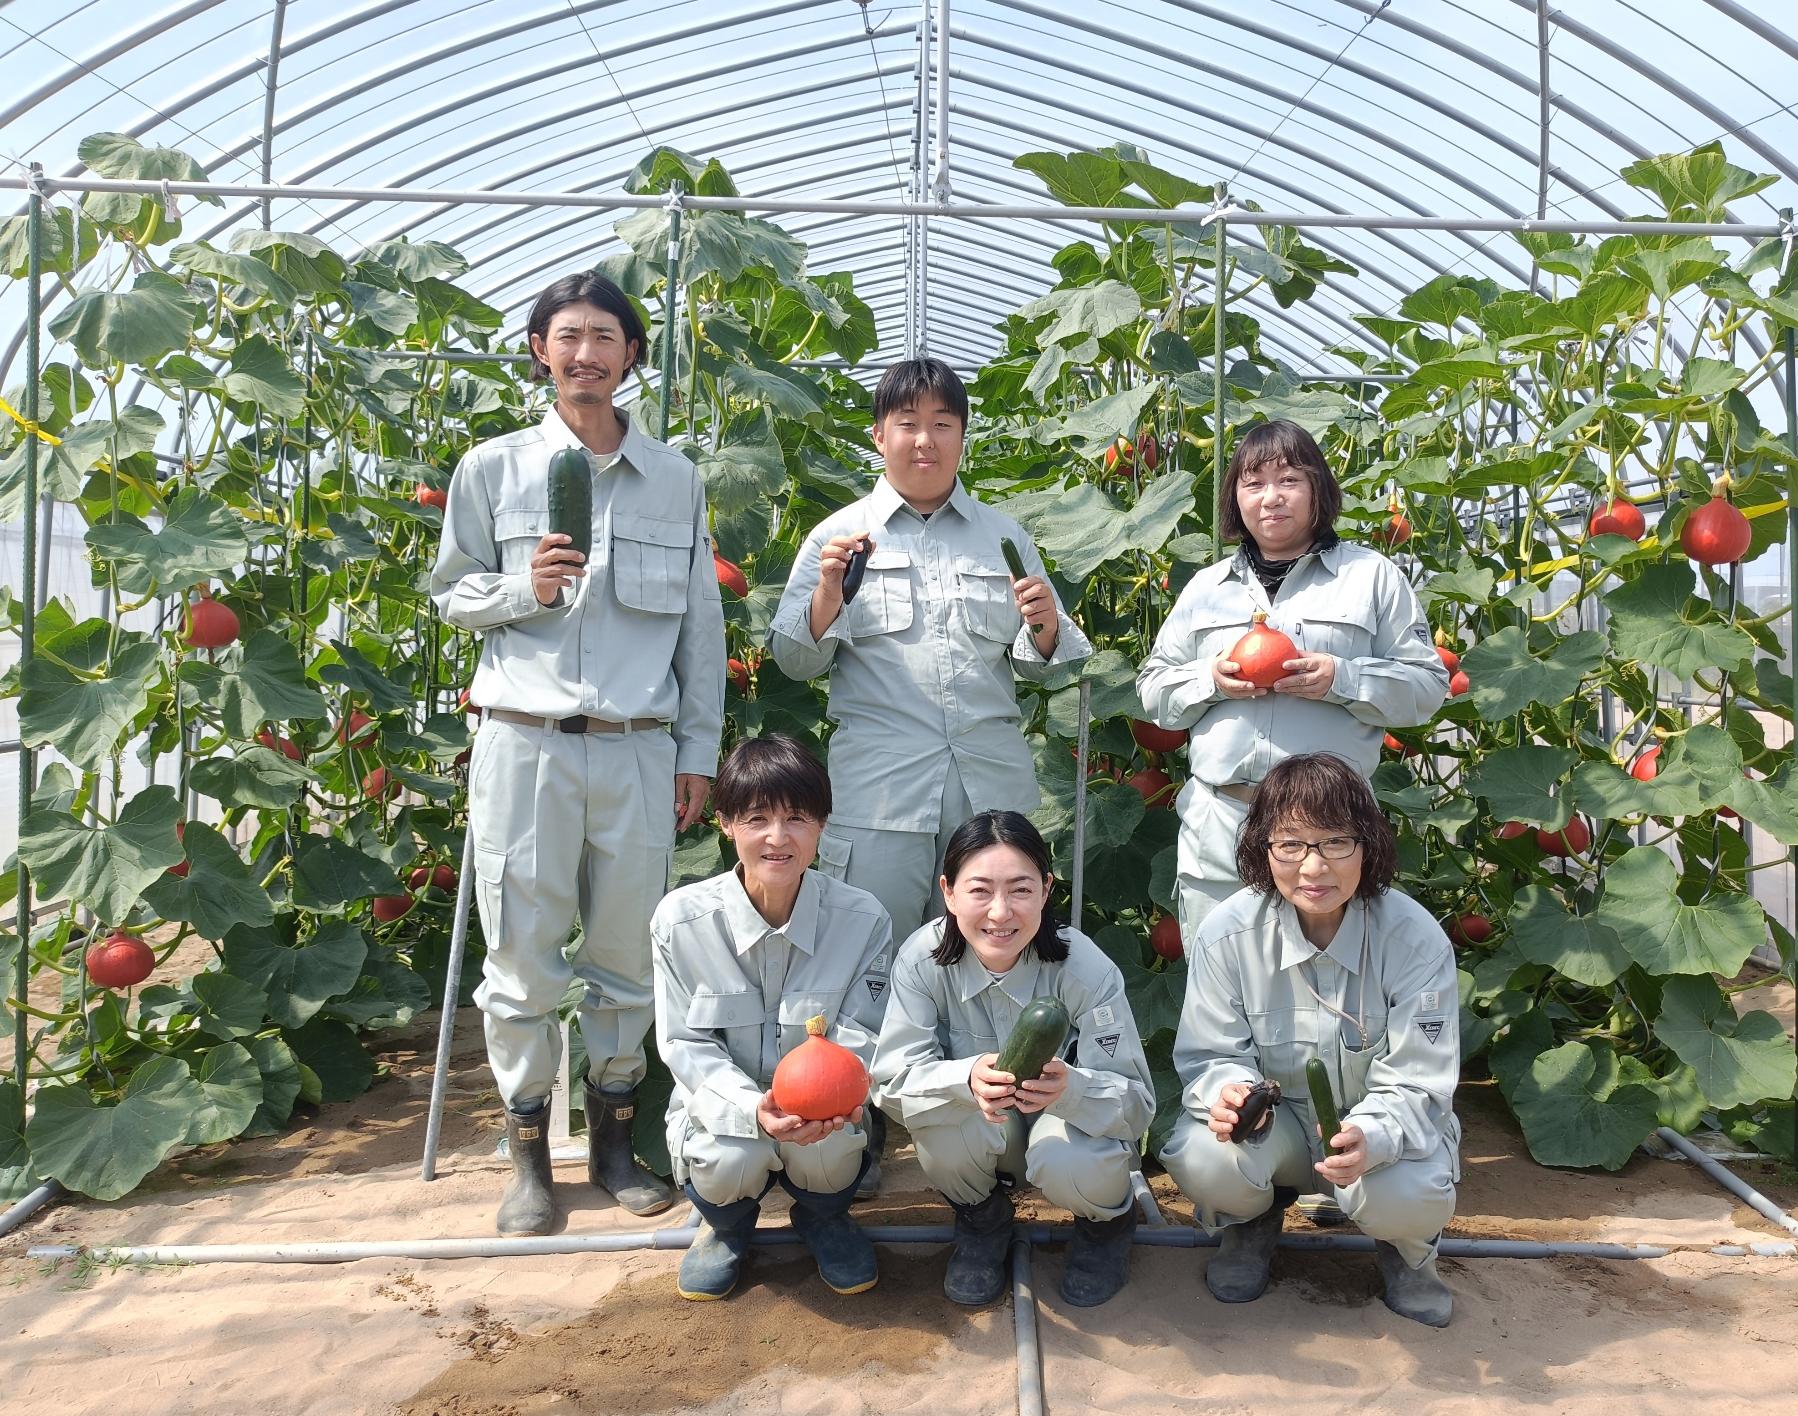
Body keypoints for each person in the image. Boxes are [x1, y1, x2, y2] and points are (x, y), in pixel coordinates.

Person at [432, 271, 723, 1237]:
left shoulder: (676, 479)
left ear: (631, 356)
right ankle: (527, 1159)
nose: (587, 352)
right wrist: (524, 589)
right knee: (520, 955)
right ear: (539, 351)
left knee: (625, 954)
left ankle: (612, 1141)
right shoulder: (492, 468)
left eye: (606, 336)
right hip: (524, 745)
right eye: (569, 335)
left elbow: (701, 633)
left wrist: (699, 753)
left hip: (638, 750)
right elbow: (450, 594)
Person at [767, 357, 1091, 949]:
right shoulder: (838, 537)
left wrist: (1043, 627)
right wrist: (826, 596)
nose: (925, 440)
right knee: (869, 956)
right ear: (879, 435)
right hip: (880, 795)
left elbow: (1041, 660)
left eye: (943, 424)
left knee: (990, 953)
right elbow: (795, 661)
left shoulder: (1004, 537)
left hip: (988, 790)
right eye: (907, 423)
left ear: (963, 436)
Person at [1160, 752, 1459, 1326]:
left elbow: (1421, 1080)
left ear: (1368, 845)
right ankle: (1252, 1221)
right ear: (1262, 849)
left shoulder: (1414, 939)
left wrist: (1373, 1136)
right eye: (1290, 844)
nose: (1313, 867)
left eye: (1335, 842)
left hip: (1376, 1137)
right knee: (1207, 1156)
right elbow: (1211, 1055)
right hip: (1283, 1133)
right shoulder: (1227, 934)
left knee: (1409, 1191)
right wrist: (1233, 1096)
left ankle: (1407, 1250)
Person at [1135, 419, 1446, 944]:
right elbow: (1152, 690)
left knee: (1325, 982)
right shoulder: (1206, 589)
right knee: (1219, 984)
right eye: (1253, 484)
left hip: (1327, 835)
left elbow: (1426, 688)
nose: (1271, 498)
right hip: (1222, 822)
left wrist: (1341, 677)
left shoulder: (1371, 578)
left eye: (1290, 481)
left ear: (1318, 491)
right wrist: (1209, 679)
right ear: (1235, 498)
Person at [871, 811, 1154, 1308]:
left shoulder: (1085, 968)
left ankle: (1106, 1223)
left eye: (1020, 890)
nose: (1000, 912)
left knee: (1073, 1159)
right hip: (987, 1131)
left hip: (1061, 1131)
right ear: (949, 891)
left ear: (1046, 890)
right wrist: (964, 1078)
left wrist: (1074, 1089)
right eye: (980, 890)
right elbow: (891, 1082)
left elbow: (1137, 1106)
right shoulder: (922, 961)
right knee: (939, 1118)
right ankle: (982, 1220)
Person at [652, 734, 898, 1301]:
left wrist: (821, 1102)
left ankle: (824, 1218)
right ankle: (726, 1229)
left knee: (831, 1148)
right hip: (725, 1111)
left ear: (822, 825)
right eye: (757, 818)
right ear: (725, 824)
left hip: (825, 1114)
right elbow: (686, 1043)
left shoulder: (863, 919)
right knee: (727, 1152)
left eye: (797, 818)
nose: (777, 838)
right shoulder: (681, 922)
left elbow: (861, 1032)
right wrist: (752, 1109)